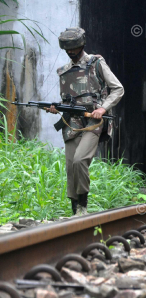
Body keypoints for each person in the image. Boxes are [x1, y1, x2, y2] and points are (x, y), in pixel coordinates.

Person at [48, 27, 124, 216]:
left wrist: (102, 108)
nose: (70, 52)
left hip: (93, 122)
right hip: (71, 122)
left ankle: (83, 205)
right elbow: (67, 100)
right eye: (67, 49)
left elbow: (118, 89)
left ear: (81, 45)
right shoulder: (64, 71)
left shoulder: (96, 63)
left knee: (80, 160)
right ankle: (75, 209)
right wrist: (56, 108)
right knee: (70, 165)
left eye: (73, 48)